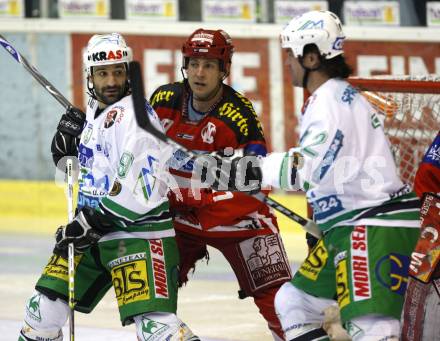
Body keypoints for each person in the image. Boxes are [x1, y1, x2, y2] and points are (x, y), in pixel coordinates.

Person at [216, 11, 421, 340]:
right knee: (294, 301)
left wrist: (240, 169)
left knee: (373, 328)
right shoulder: (340, 95)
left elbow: (305, 168)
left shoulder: (329, 102)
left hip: (372, 227)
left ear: (311, 56)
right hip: (351, 224)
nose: (288, 64)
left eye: (291, 55)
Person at [19, 33, 198, 341]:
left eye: (118, 71)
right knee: (41, 312)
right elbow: (87, 173)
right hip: (91, 232)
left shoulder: (139, 119)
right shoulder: (94, 109)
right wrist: (65, 155)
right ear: (90, 76)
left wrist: (89, 221)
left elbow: (140, 192)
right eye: (103, 73)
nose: (112, 80)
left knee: (156, 327)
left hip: (138, 235)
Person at [149, 28, 291, 340]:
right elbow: (135, 150)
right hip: (181, 218)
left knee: (285, 309)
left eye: (209, 65)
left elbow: (256, 181)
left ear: (224, 69)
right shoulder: (163, 100)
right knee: (150, 293)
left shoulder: (238, 116)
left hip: (239, 221)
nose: (199, 73)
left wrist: (202, 197)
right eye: (194, 64)